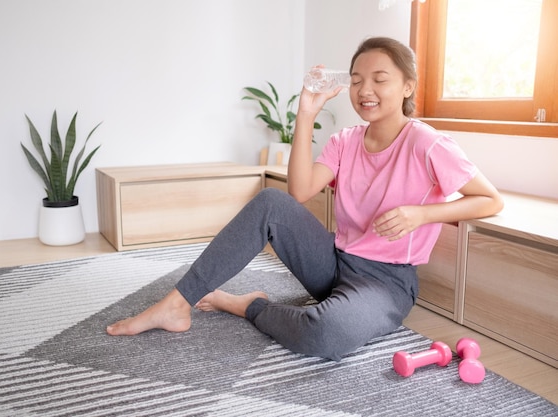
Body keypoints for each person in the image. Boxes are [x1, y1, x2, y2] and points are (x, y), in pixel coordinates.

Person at [107, 37, 503, 361]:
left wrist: (423, 214)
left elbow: (489, 200)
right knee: (271, 203)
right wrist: (306, 114)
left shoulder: (428, 143)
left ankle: (245, 305)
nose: (365, 90)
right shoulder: (346, 141)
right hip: (333, 262)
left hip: (386, 282)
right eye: (356, 80)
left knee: (324, 334)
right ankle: (177, 303)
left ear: (407, 86)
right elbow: (298, 192)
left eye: (380, 79)